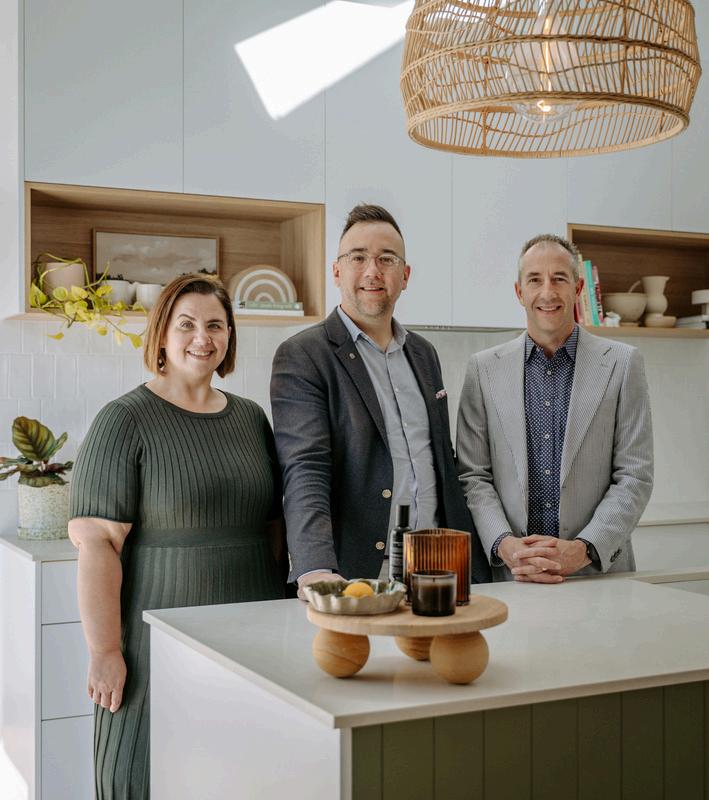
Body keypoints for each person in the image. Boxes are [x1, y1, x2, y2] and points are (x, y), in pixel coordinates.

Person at [68, 274, 286, 799]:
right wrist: (104, 650)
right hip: (155, 647)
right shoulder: (123, 420)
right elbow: (97, 544)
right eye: (186, 324)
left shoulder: (252, 418)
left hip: (248, 643)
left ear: (230, 336)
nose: (202, 338)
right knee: (142, 776)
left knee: (240, 778)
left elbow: (274, 527)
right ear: (161, 334)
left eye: (216, 325)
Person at [271, 203, 490, 593]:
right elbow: (305, 468)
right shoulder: (304, 355)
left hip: (439, 566)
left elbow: (441, 459)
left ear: (405, 276)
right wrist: (315, 567)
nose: (373, 271)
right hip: (356, 573)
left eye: (387, 259)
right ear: (336, 271)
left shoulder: (423, 353)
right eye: (358, 258)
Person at [457, 234, 653, 583]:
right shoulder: (482, 370)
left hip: (597, 575)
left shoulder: (623, 364)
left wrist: (583, 549)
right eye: (535, 279)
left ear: (578, 288)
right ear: (519, 291)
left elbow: (635, 475)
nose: (547, 292)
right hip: (512, 574)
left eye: (559, 278)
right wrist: (506, 545)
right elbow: (473, 475)